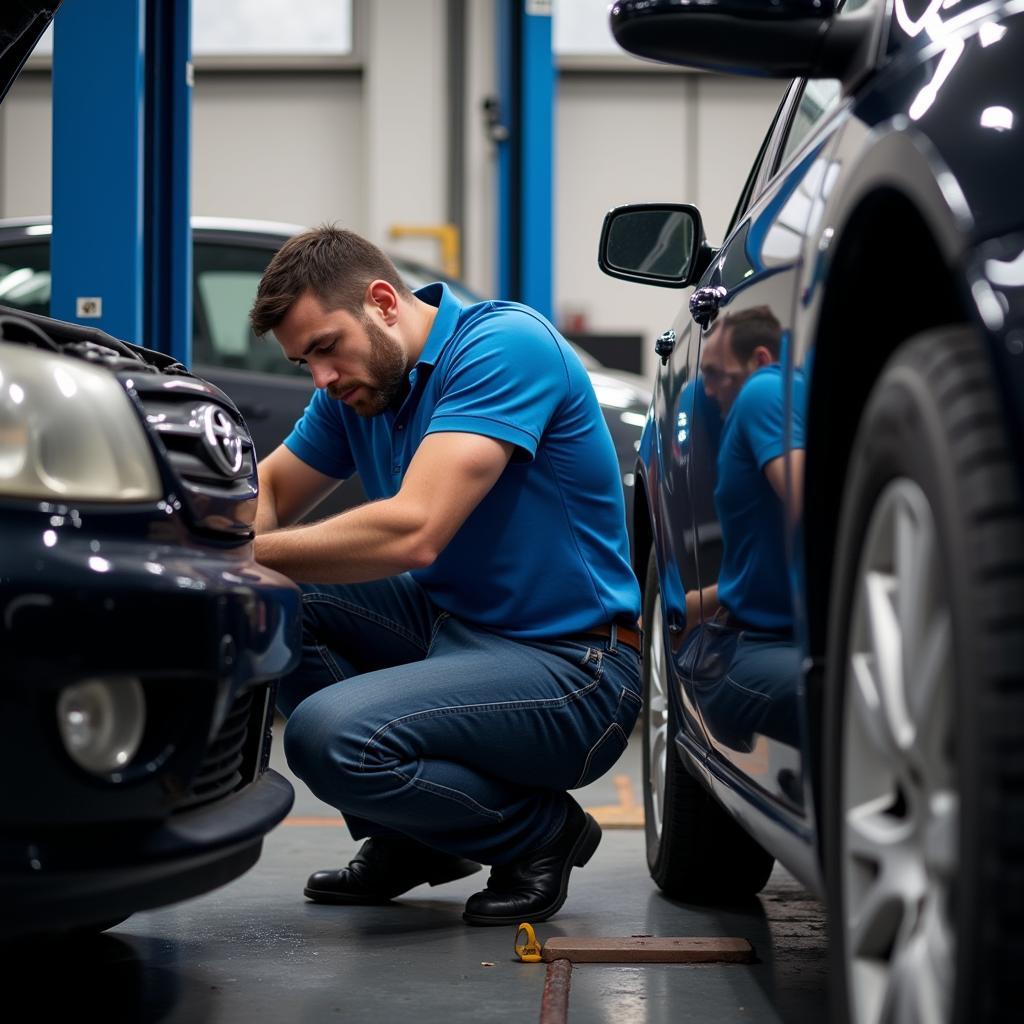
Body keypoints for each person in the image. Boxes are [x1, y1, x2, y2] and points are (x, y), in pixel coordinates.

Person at [248, 226, 642, 926]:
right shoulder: (359, 388)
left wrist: (243, 554)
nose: (322, 378)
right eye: (304, 361)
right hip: (454, 630)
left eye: (326, 347)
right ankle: (409, 841)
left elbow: (415, 530)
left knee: (327, 734)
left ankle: (540, 833)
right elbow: (269, 487)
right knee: (284, 599)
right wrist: (236, 541)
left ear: (382, 303)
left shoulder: (503, 346)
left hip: (576, 666)